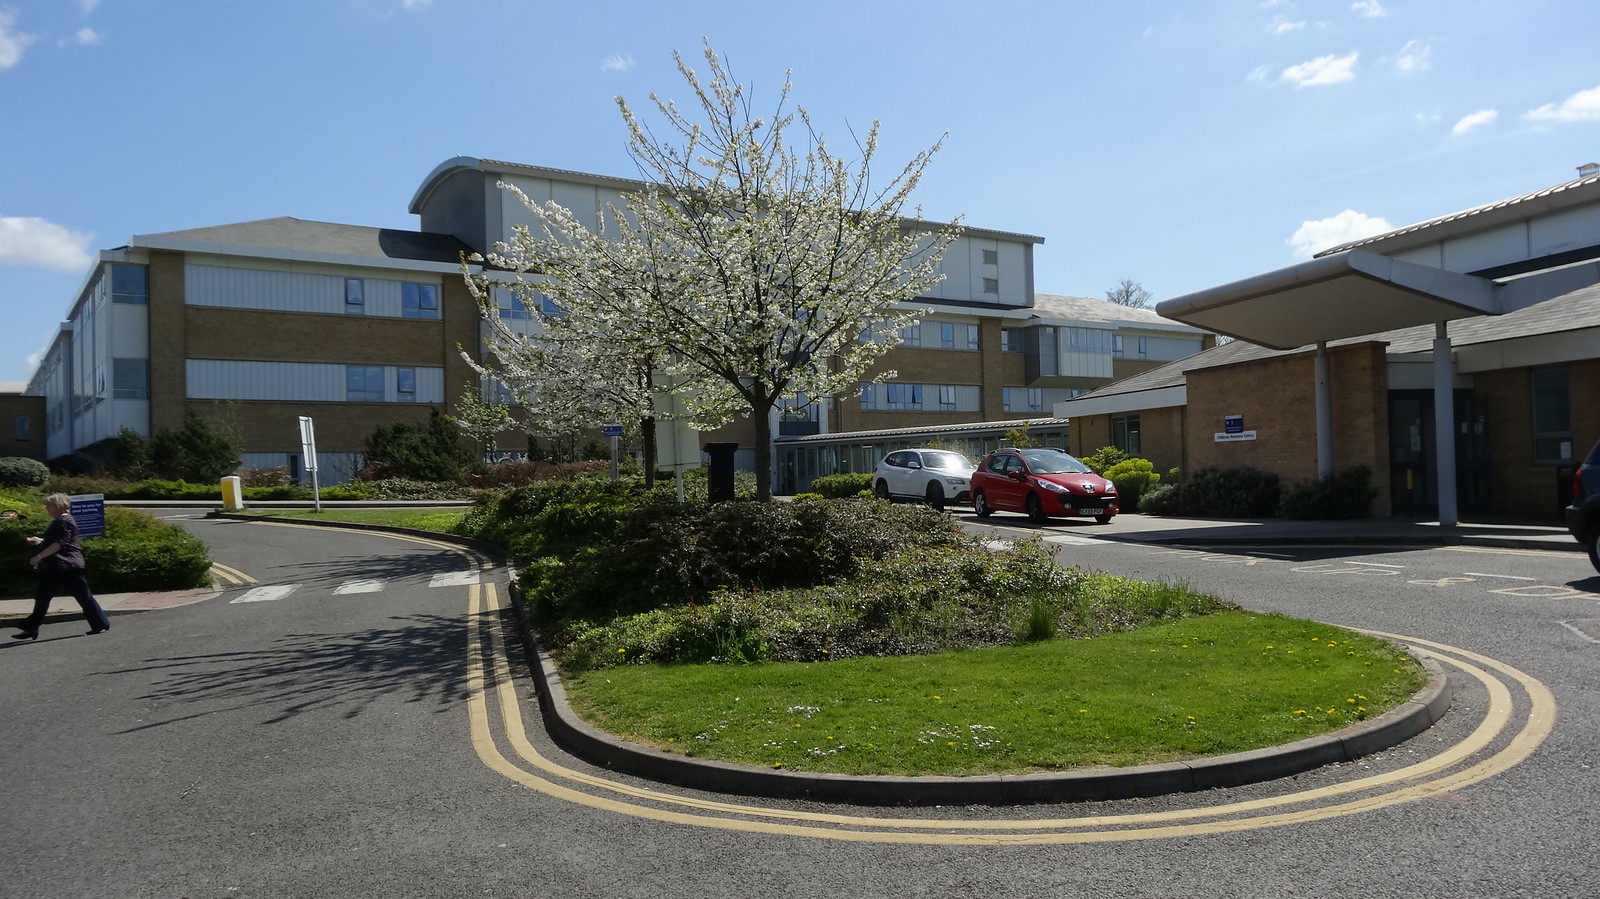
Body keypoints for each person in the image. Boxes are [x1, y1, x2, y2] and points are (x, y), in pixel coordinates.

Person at [11, 494, 110, 640]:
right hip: (58, 566)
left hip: (66, 565)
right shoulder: (61, 521)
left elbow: (59, 544)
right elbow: (57, 541)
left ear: (57, 505)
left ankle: (100, 623)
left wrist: (39, 557)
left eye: (48, 505)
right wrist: (40, 541)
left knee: (81, 596)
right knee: (44, 597)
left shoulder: (63, 521)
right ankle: (31, 628)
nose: (46, 508)